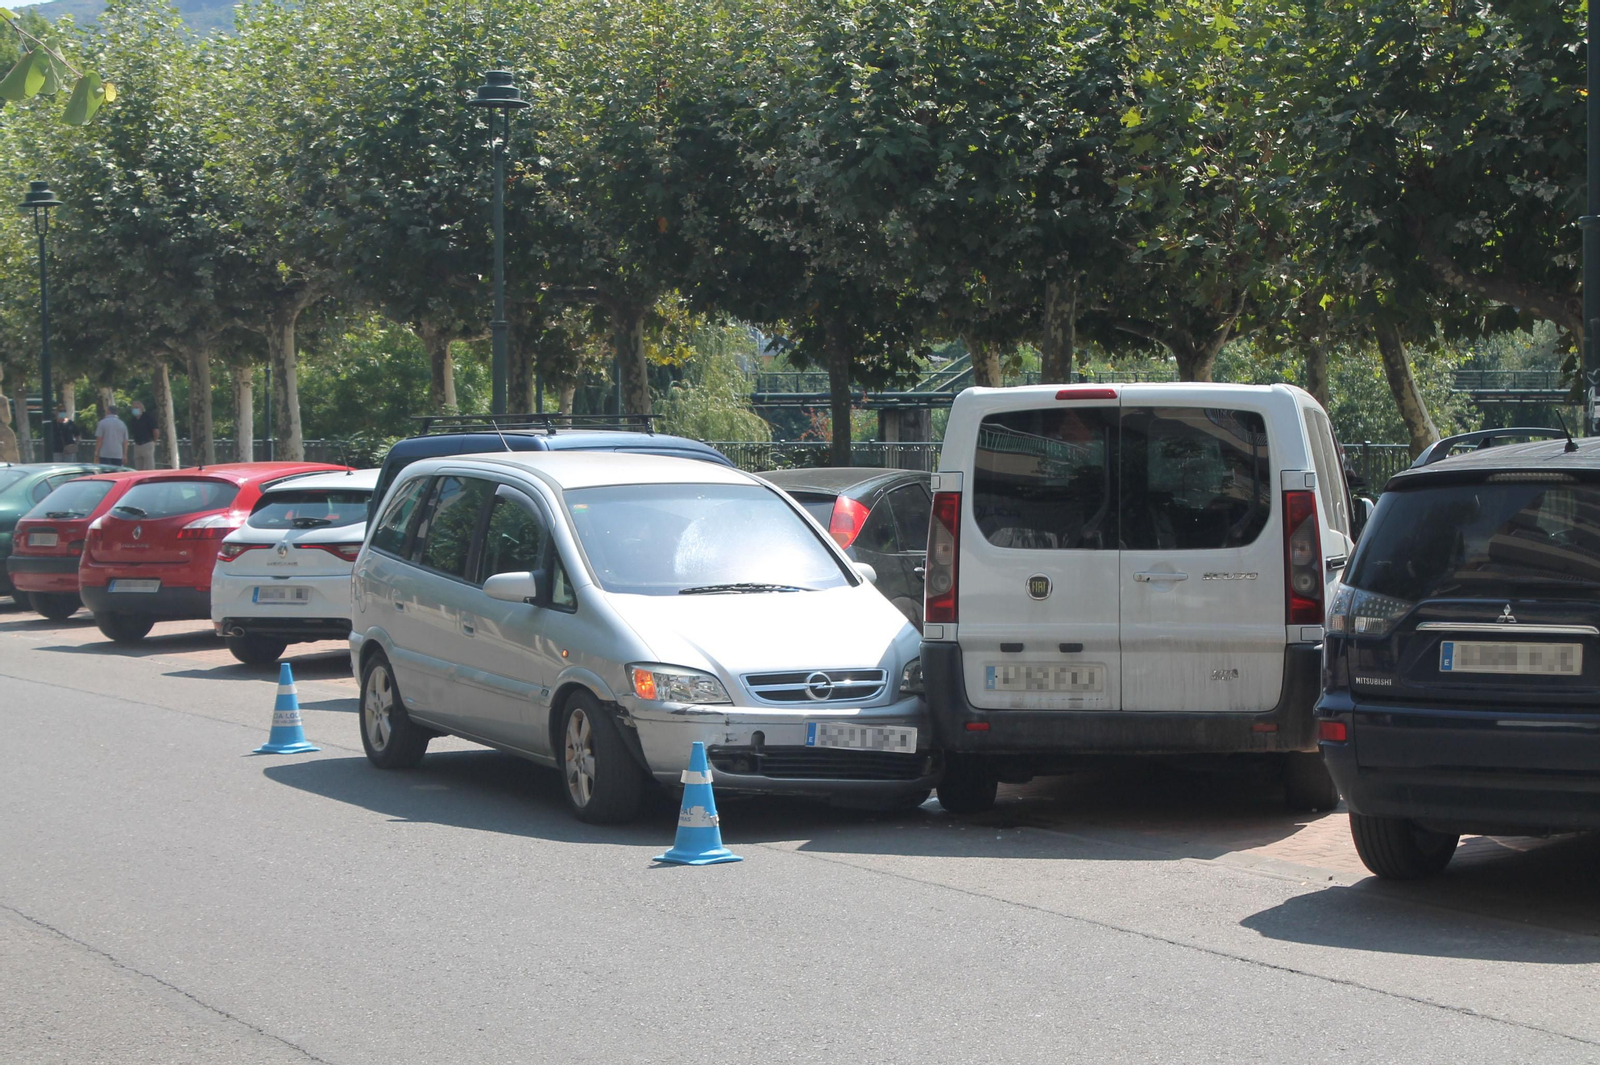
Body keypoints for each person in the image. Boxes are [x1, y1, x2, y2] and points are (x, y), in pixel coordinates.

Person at [127, 401, 159, 470]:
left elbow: (156, 430)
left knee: (149, 466)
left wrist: (154, 441)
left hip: (147, 443)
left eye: (136, 407)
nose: (134, 409)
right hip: (137, 444)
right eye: (133, 408)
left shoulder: (148, 417)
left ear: (141, 408)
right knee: (138, 467)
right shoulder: (133, 420)